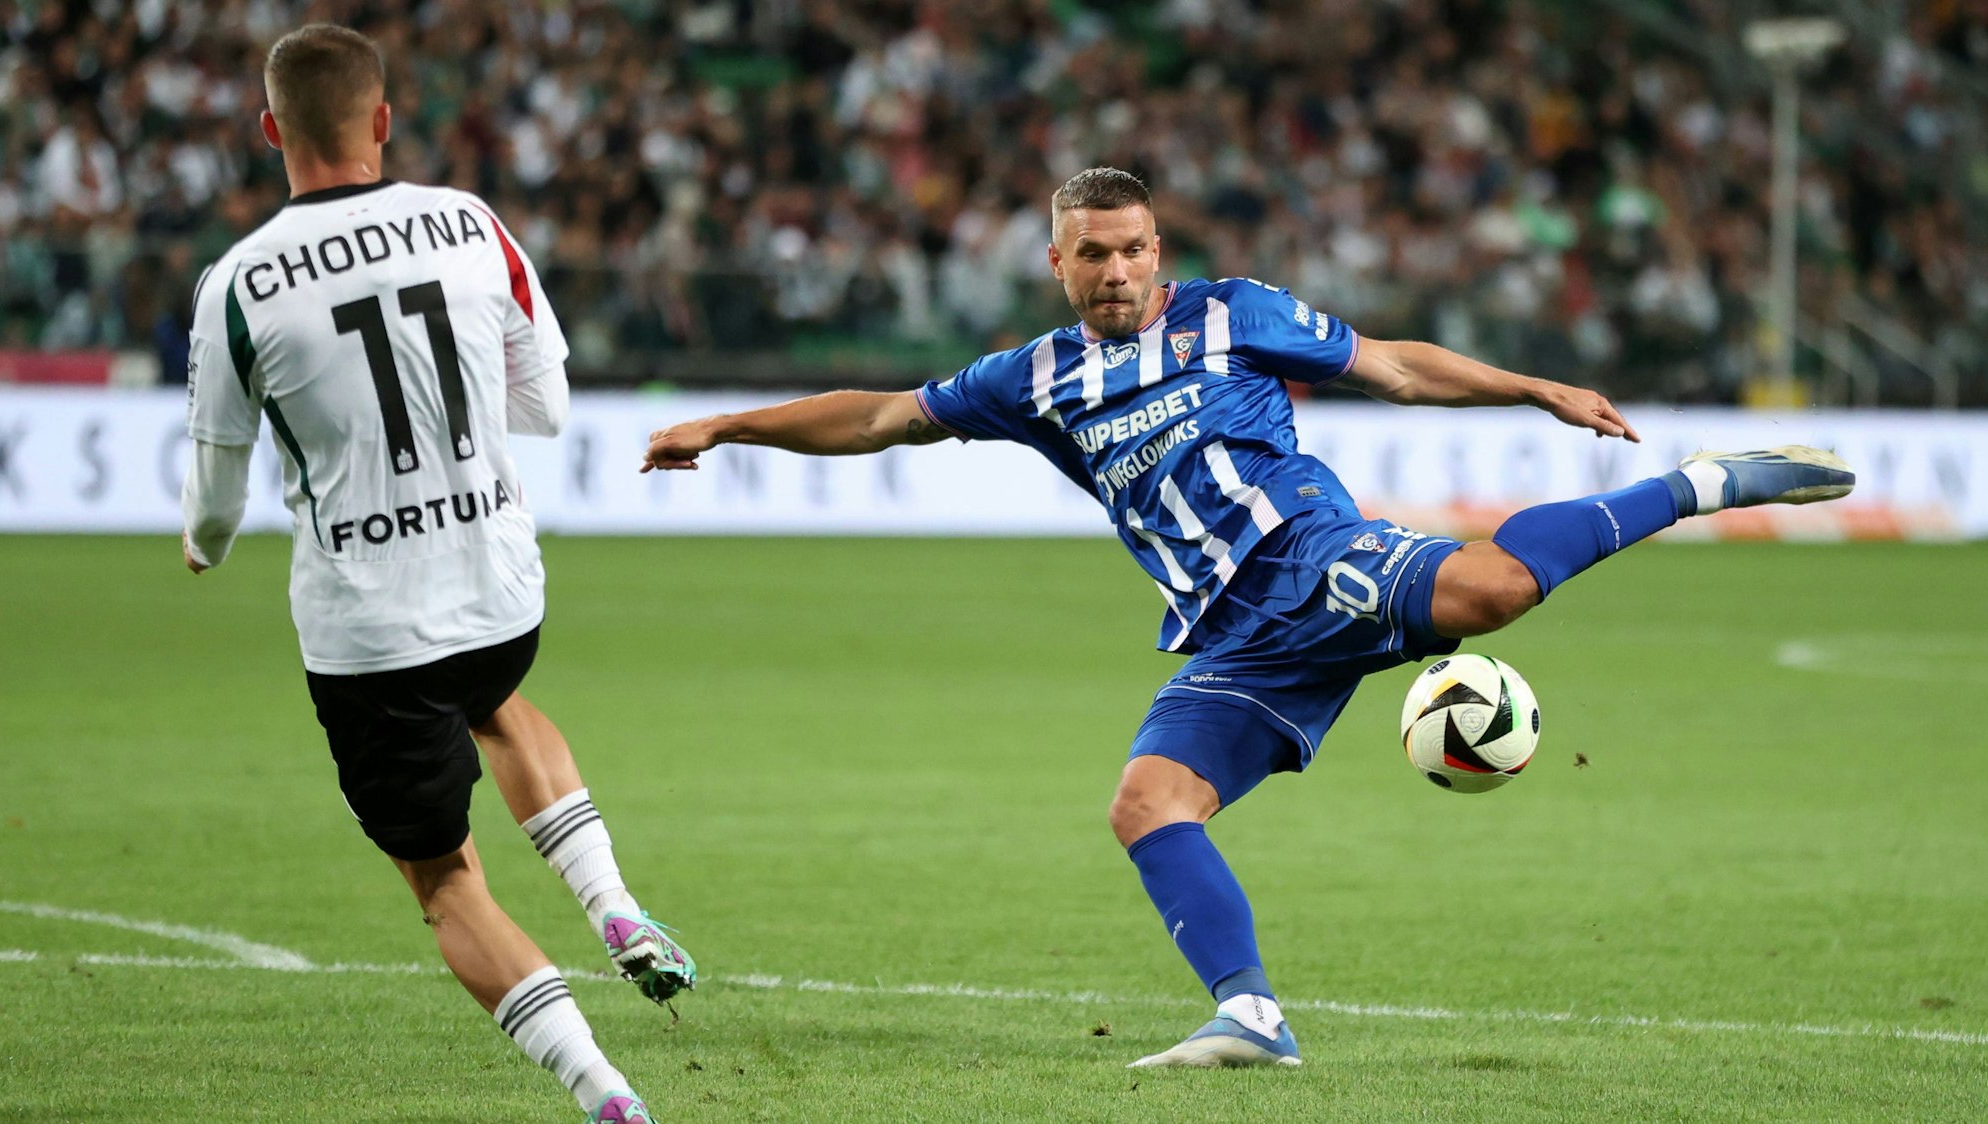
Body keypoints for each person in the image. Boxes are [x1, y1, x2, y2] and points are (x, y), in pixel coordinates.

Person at [640, 167, 1854, 1068]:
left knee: (1490, 591)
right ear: (1057, 263)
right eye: (1091, 254)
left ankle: (1702, 483)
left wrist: (1533, 387)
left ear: (1157, 249)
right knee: (1146, 804)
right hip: (1231, 634)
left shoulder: (1232, 314)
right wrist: (727, 424)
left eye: (1132, 249)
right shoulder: (1031, 378)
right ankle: (1251, 1013)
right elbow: (881, 416)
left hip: (1309, 553)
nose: (1116, 272)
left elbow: (1394, 366)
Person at [178, 25, 693, 1122]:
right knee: (494, 698)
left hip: (369, 629)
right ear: (383, 119)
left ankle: (606, 1093)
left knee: (446, 880)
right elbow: (546, 405)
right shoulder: (469, 222)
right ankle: (612, 902)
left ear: (270, 130)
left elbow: (216, 500)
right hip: (500, 587)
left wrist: (202, 547)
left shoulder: (238, 284)